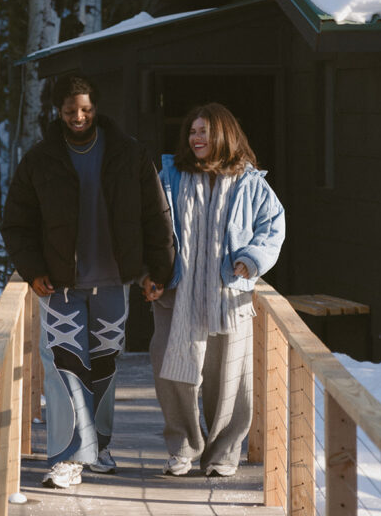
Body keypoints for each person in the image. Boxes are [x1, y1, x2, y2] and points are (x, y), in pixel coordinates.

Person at [1, 73, 174, 489]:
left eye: (85, 109)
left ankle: (99, 447)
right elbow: (17, 223)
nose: (78, 117)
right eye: (69, 110)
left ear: (96, 107)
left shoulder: (130, 154)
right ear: (57, 111)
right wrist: (33, 268)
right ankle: (68, 457)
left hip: (115, 281)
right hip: (60, 284)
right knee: (65, 365)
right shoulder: (40, 159)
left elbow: (156, 216)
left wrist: (159, 270)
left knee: (103, 366)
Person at [151, 102, 285, 478]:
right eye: (192, 131)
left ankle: (224, 453)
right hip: (177, 292)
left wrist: (252, 259)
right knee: (172, 372)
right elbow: (151, 227)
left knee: (230, 378)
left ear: (224, 135)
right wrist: (151, 271)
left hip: (229, 295)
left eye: (204, 132)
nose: (196, 138)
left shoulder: (250, 182)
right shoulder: (170, 176)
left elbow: (272, 226)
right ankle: (181, 448)